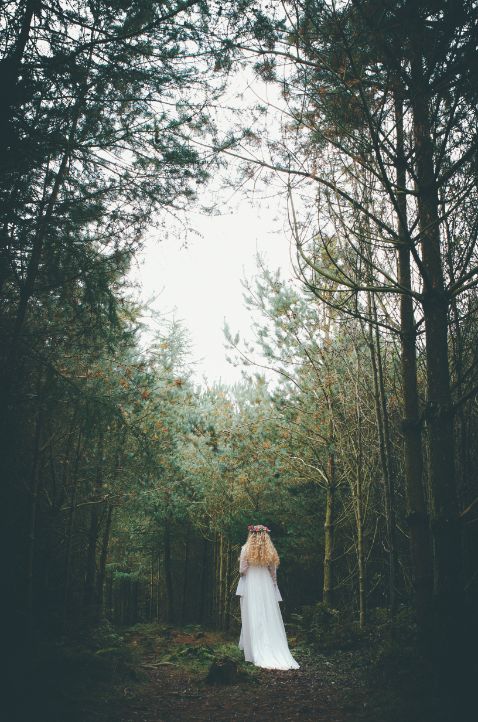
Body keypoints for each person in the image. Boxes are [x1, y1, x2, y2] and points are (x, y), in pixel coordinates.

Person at [235, 523, 300, 670]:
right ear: (266, 536)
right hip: (265, 584)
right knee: (268, 614)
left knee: (253, 614)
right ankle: (272, 646)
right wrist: (273, 585)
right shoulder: (270, 551)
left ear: (252, 535)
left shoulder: (245, 549)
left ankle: (253, 650)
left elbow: (242, 571)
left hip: (252, 583)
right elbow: (273, 573)